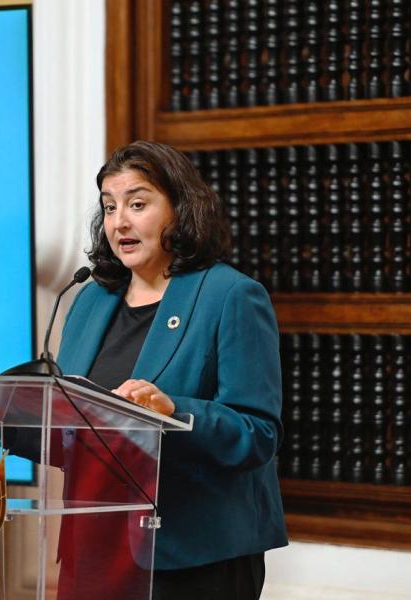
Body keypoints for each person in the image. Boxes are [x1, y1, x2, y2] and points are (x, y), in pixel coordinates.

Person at [52, 140, 287, 599]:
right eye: (109, 207)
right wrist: (5, 410)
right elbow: (70, 425)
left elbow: (258, 433)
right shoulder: (89, 300)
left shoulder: (230, 295)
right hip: (95, 547)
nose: (119, 221)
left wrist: (172, 412)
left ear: (179, 209)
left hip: (193, 556)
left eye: (137, 204)